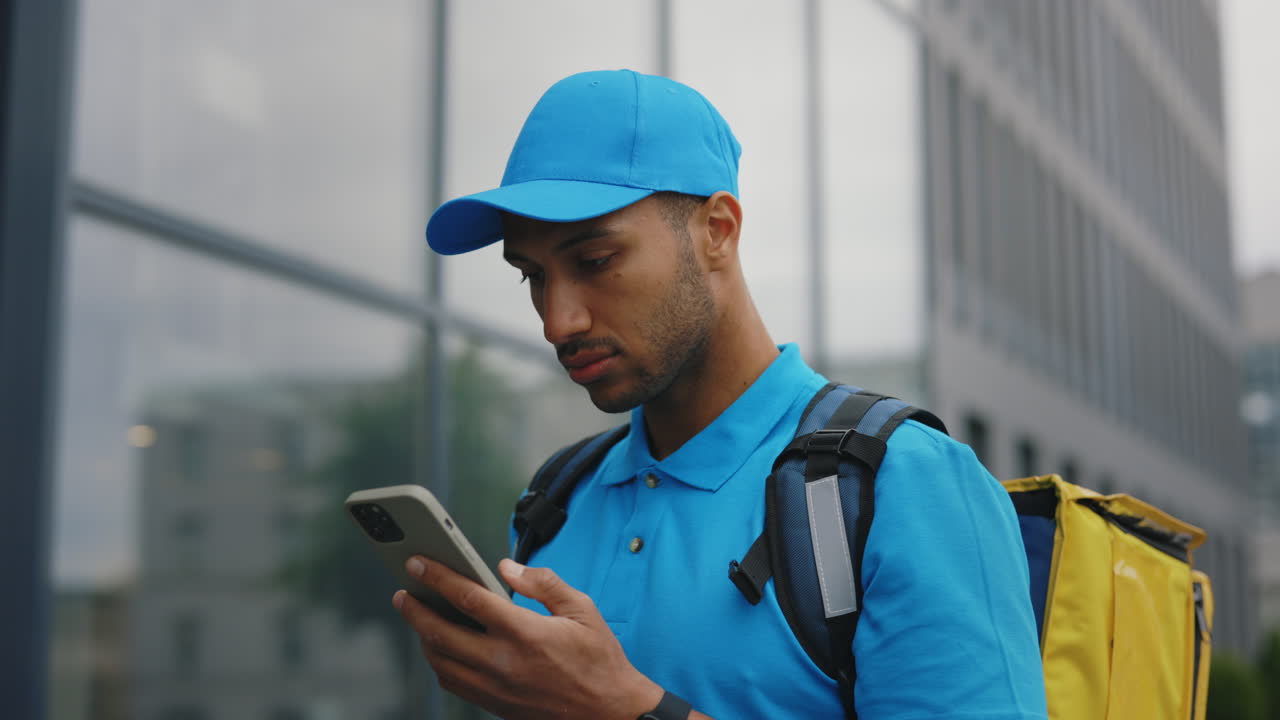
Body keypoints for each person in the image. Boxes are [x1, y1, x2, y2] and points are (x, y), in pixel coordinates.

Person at [394, 68, 1048, 720]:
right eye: (532, 276)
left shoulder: (906, 482)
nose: (557, 322)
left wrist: (627, 710)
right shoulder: (557, 498)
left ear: (718, 231)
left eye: (594, 261)